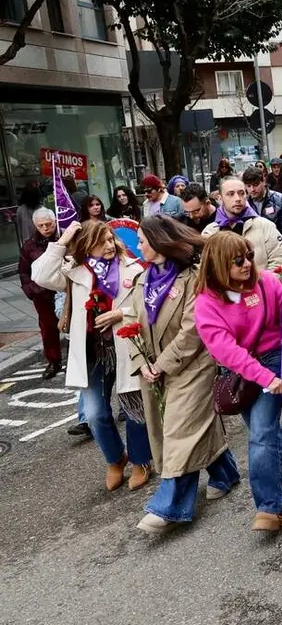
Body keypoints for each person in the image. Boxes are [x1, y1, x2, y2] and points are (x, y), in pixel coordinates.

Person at [126, 216, 240, 533]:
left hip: (192, 366)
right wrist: (142, 363)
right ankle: (225, 473)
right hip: (153, 372)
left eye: (143, 240)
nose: (139, 246)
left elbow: (193, 331)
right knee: (184, 430)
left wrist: (162, 363)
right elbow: (128, 325)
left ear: (159, 241)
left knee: (180, 431)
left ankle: (171, 505)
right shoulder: (141, 281)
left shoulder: (192, 279)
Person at [194, 232, 282, 532]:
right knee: (262, 430)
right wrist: (264, 378)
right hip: (243, 368)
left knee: (261, 433)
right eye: (237, 260)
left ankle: (269, 507)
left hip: (274, 356)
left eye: (249, 256)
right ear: (218, 265)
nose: (246, 264)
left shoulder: (267, 282)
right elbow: (225, 350)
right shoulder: (206, 303)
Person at [31, 220, 152, 491]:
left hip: (126, 347)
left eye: (110, 239)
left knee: (134, 407)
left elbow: (146, 305)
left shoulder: (132, 266)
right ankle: (115, 458)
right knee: (95, 414)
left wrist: (122, 314)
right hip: (92, 352)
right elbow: (39, 275)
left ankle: (141, 461)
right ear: (86, 245)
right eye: (101, 241)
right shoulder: (74, 272)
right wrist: (63, 241)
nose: (109, 245)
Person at [201, 176, 282, 273]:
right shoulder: (210, 232)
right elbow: (206, 270)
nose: (238, 198)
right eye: (231, 194)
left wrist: (263, 286)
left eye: (241, 193)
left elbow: (280, 262)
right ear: (220, 198)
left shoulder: (265, 226)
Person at [19, 208, 62, 379]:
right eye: (41, 225)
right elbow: (23, 272)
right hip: (42, 294)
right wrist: (31, 291)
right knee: (48, 328)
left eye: (48, 224)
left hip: (63, 290)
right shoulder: (29, 246)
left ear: (55, 222)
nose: (45, 228)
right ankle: (53, 361)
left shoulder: (62, 239)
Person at [242, 167, 282, 252]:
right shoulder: (244, 203)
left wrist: (276, 250)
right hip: (254, 252)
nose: (252, 189)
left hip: (279, 249)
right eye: (248, 186)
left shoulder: (280, 199)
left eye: (256, 185)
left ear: (264, 182)